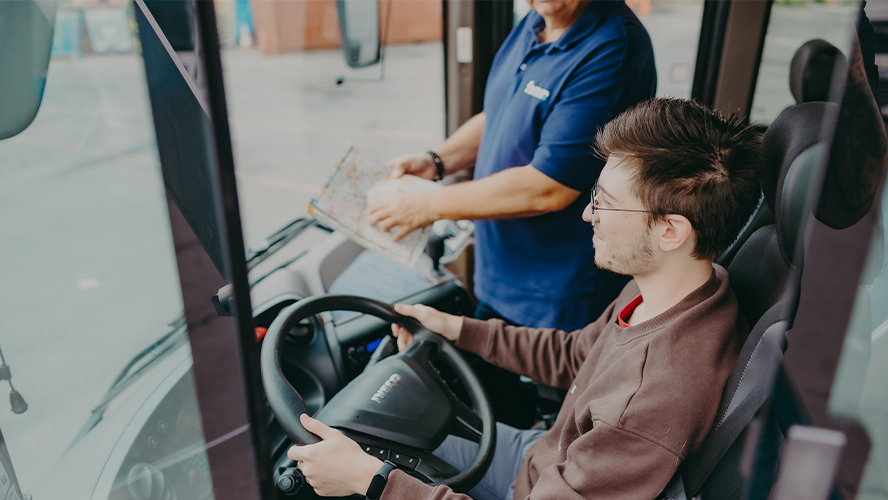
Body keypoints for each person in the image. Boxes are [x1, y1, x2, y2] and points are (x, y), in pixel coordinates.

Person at [287, 97, 764, 500]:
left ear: (669, 230)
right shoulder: (683, 286)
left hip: (538, 483)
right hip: (543, 454)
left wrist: (372, 482)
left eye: (605, 202)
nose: (587, 214)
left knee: (355, 455)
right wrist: (456, 329)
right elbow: (575, 355)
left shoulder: (648, 404)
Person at [366, 0, 657, 331]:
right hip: (499, 274)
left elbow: (548, 188)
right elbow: (502, 113)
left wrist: (425, 205)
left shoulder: (613, 50)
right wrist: (437, 161)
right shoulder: (535, 21)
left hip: (551, 298)